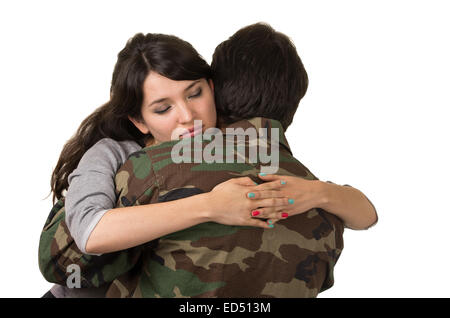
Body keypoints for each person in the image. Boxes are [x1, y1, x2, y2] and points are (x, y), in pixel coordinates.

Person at [39, 25, 377, 297]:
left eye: (195, 93)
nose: (188, 117)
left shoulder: (236, 153)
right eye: (162, 108)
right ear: (140, 121)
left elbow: (367, 215)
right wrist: (211, 206)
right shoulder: (117, 156)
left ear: (214, 88)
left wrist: (320, 193)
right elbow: (88, 234)